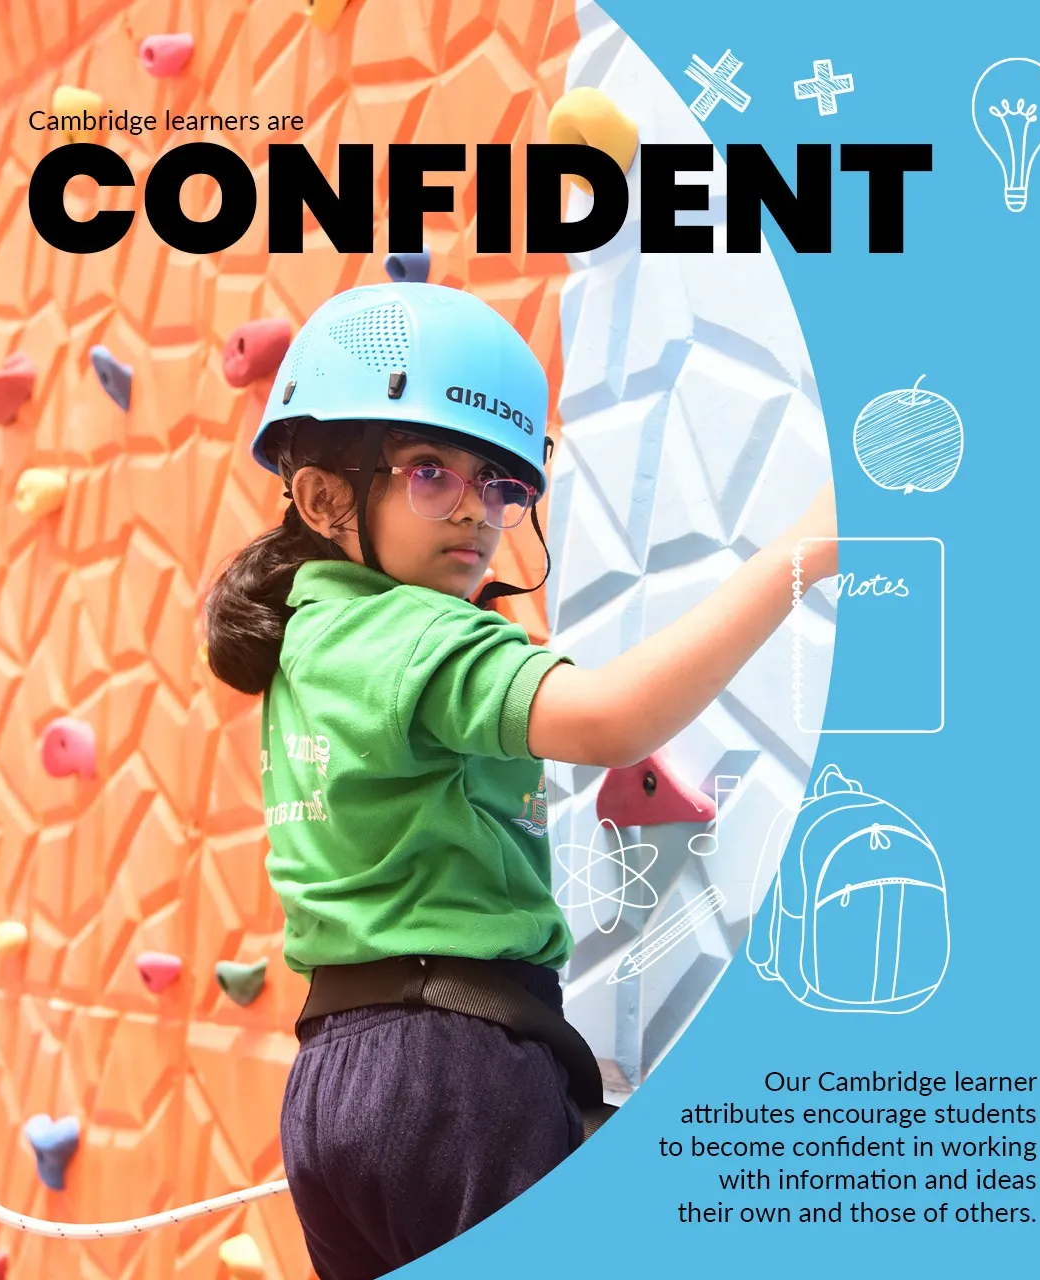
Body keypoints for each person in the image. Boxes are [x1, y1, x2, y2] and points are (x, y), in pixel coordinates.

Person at [203, 282, 838, 1279]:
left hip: (329, 1083)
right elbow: (613, 717)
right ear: (326, 496)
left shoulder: (310, 632)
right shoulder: (421, 631)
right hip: (451, 1072)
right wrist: (808, 550)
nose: (477, 508)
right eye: (429, 471)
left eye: (501, 481)